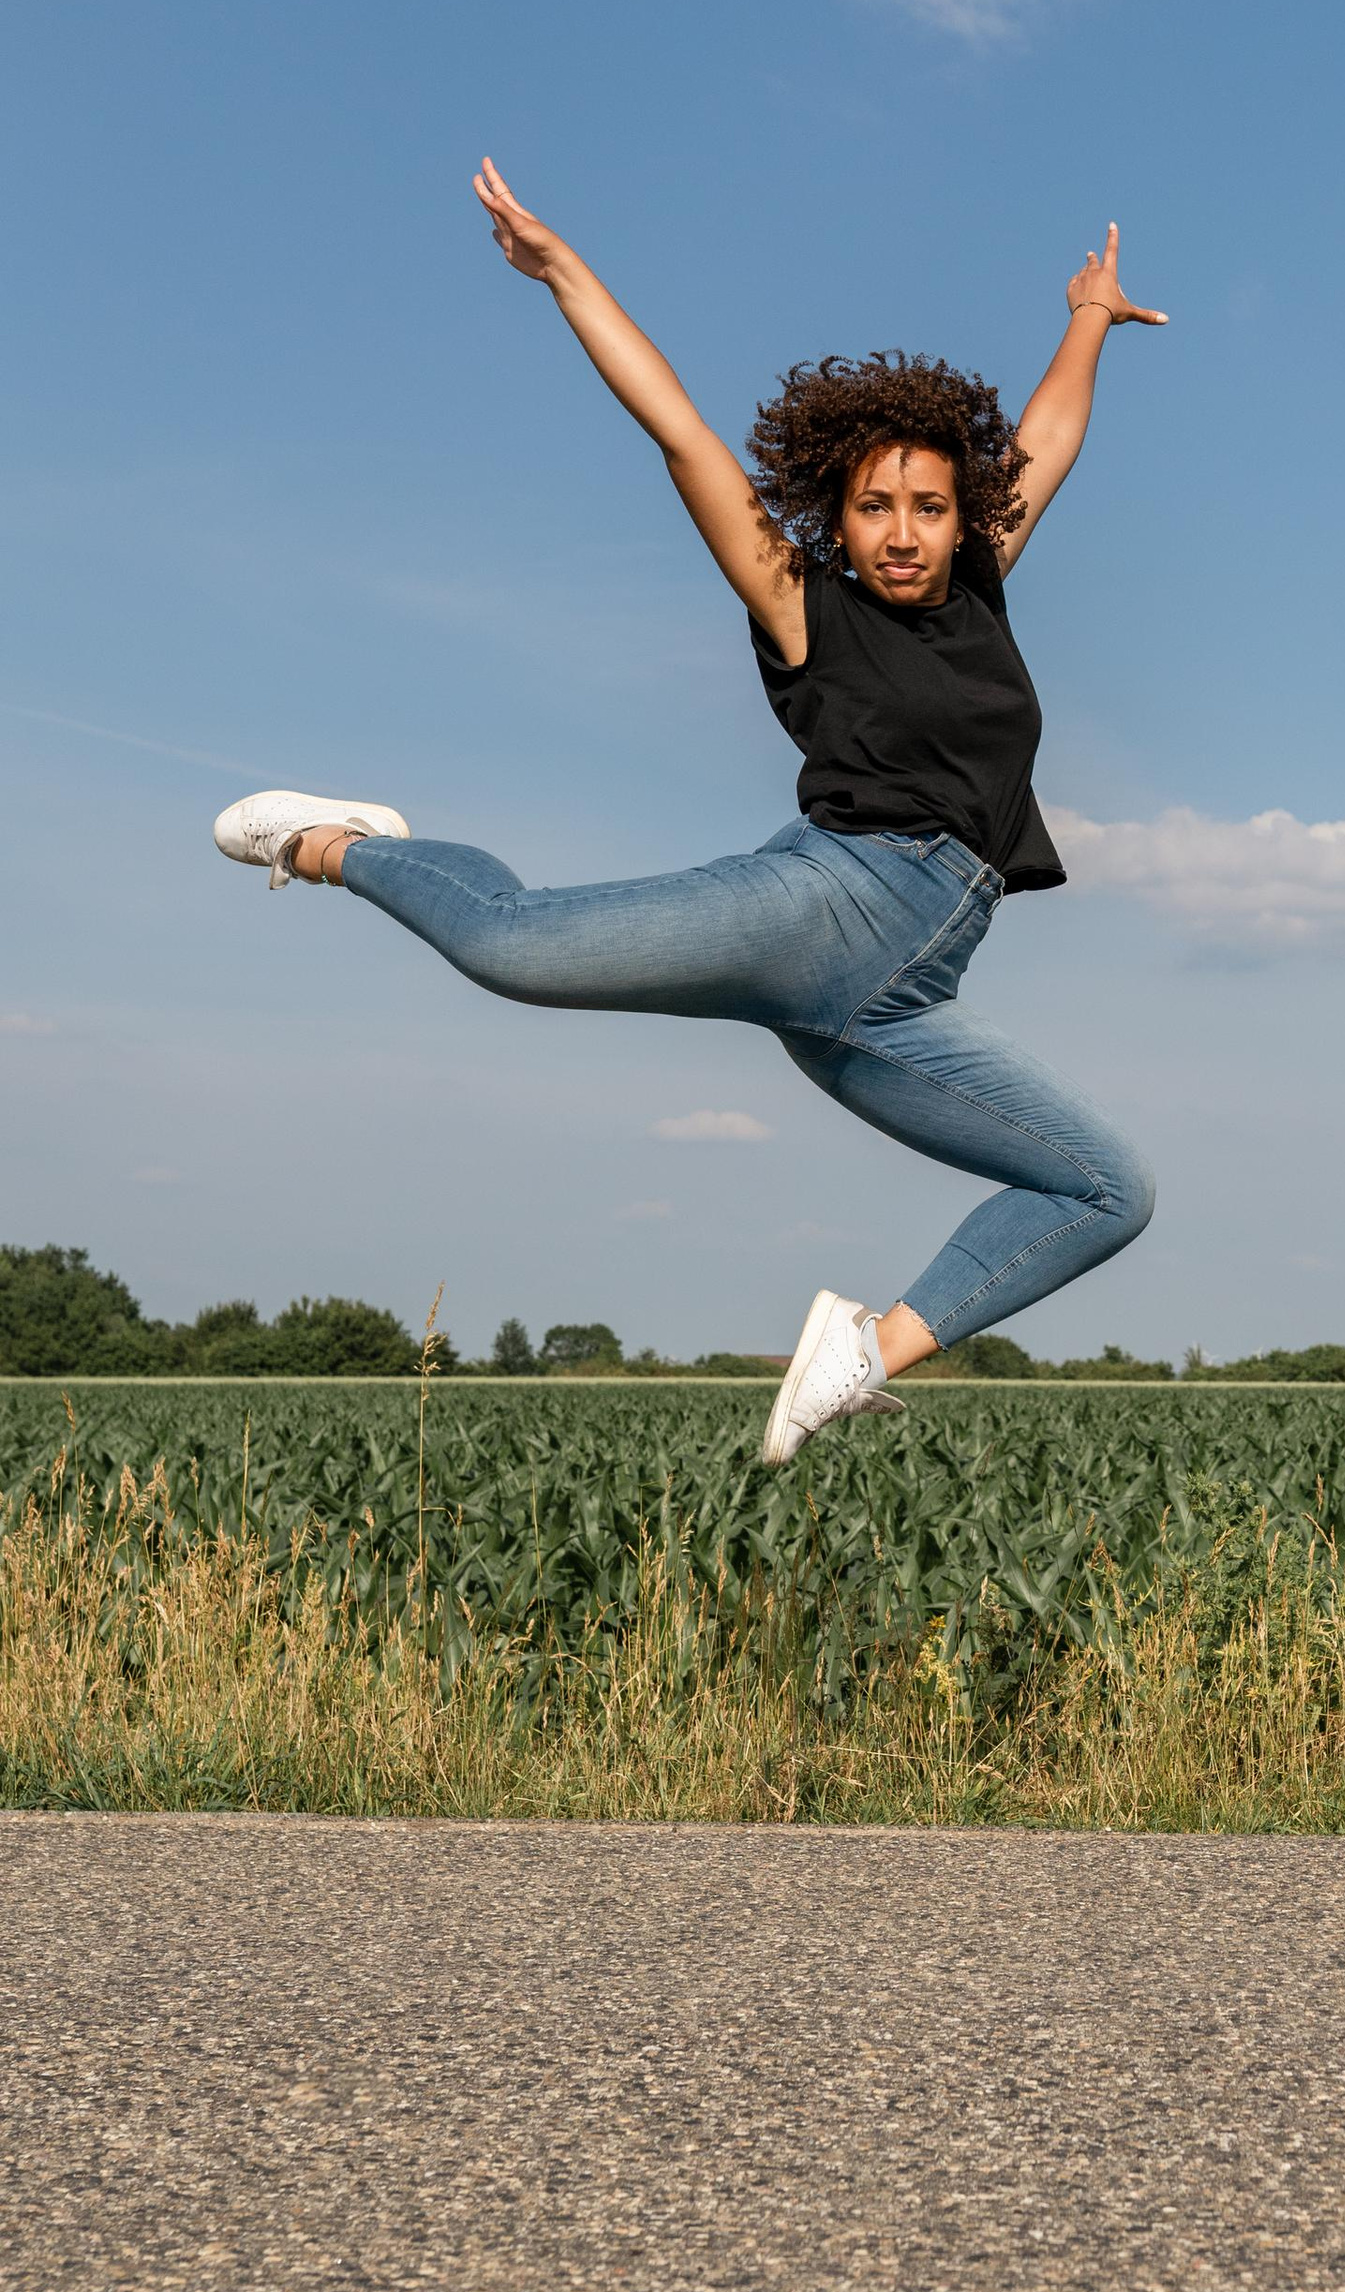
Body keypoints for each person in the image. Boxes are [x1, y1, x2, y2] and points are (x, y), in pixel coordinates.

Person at [214, 164, 1164, 1461]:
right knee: (512, 946)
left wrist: (1088, 317)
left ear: (961, 521)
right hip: (826, 905)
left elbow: (1047, 434)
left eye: (929, 509)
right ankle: (345, 844)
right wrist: (567, 279)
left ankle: (858, 1357)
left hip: (902, 996)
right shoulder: (800, 604)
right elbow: (683, 436)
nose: (901, 532)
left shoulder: (981, 589)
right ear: (834, 513)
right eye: (874, 506)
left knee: (1105, 1187)